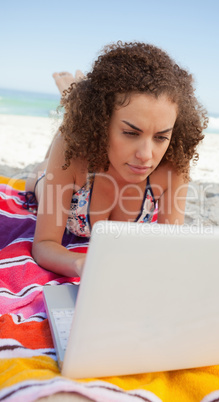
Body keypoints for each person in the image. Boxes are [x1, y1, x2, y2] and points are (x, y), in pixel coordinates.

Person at [25, 41, 208, 277]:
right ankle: (73, 105)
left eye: (161, 137)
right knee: (43, 167)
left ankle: (75, 102)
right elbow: (44, 245)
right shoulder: (74, 153)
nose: (146, 155)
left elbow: (168, 249)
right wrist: (81, 264)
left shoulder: (173, 166)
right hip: (56, 174)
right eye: (131, 133)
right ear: (102, 124)